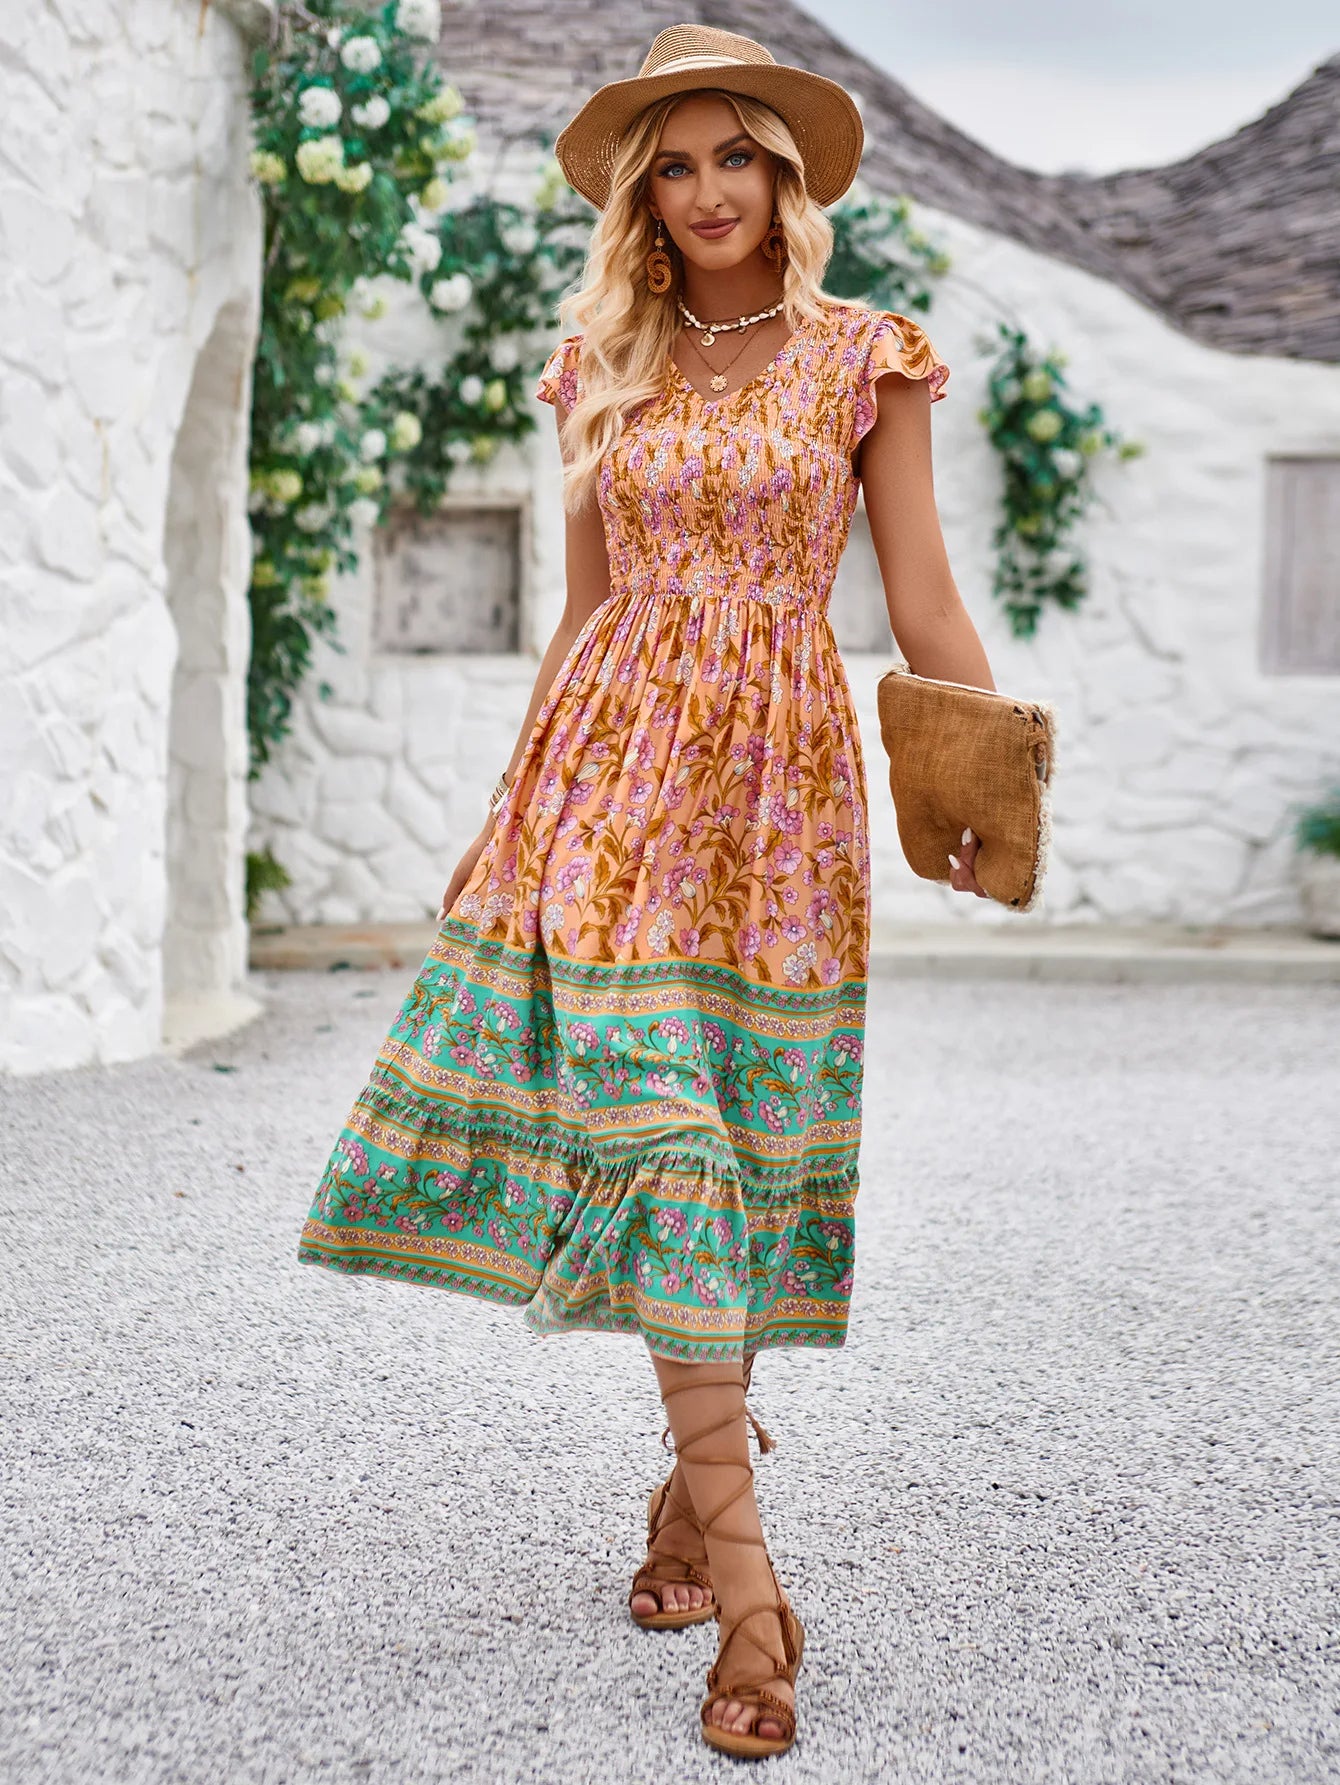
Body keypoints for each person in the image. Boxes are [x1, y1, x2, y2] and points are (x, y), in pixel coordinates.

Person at [297, 22, 995, 1761]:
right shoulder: (598, 362)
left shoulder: (868, 358)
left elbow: (919, 592)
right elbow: (589, 610)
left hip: (782, 798)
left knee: (747, 1140)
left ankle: (691, 1499)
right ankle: (756, 1604)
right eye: (672, 166)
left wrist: (982, 781)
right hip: (610, 789)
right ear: (641, 195)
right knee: (666, 1134)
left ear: (784, 173)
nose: (704, 192)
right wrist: (507, 811)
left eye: (732, 156)